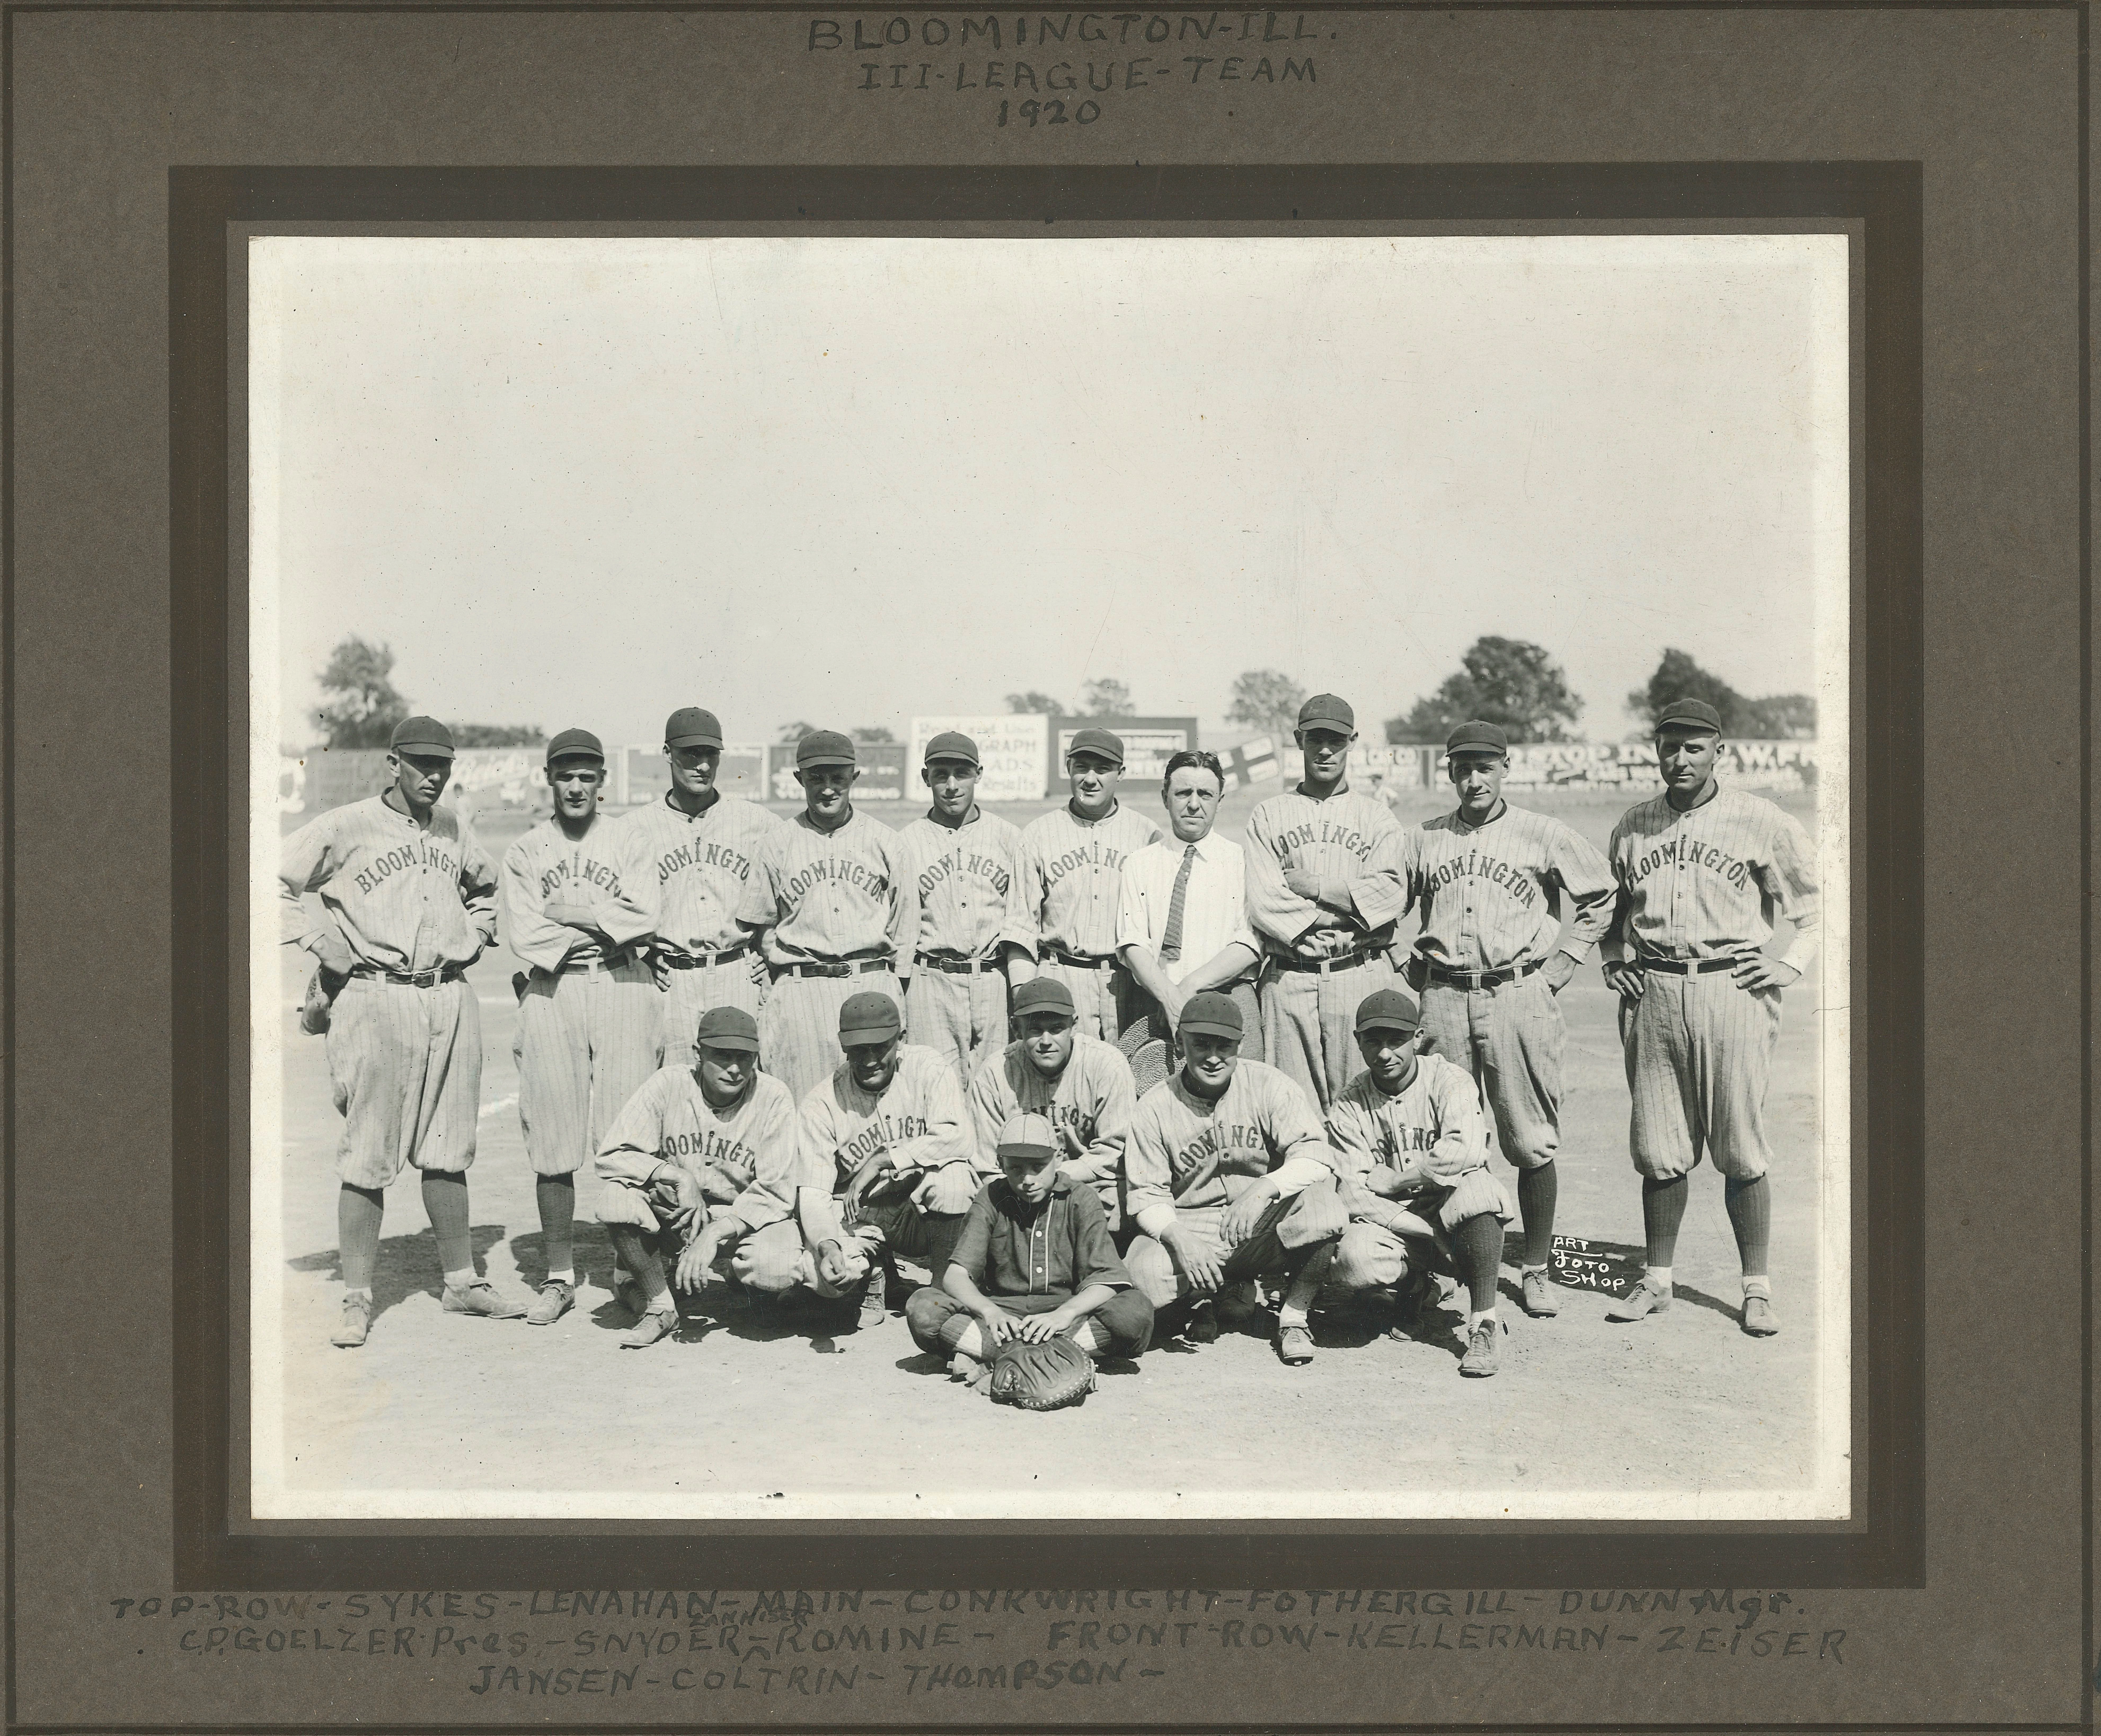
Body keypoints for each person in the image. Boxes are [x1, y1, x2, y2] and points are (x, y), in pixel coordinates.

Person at [278, 715, 516, 1346]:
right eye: (420, 764)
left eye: (442, 765)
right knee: (369, 1152)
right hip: (374, 997)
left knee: (448, 1146)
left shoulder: (452, 826)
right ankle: (357, 1298)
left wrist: (477, 933)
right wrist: (316, 938)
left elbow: (488, 890)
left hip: (446, 995)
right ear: (393, 764)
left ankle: (461, 1282)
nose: (433, 776)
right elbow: (269, 878)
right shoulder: (347, 825)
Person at [1599, 698, 1820, 1337]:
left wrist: (1790, 966)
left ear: (1718, 751)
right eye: (1670, 746)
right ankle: (1657, 1281)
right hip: (1655, 993)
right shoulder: (1633, 825)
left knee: (1739, 1144)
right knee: (1658, 1147)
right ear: (1656, 751)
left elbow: (1816, 905)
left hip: (1732, 989)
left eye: (1694, 747)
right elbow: (1610, 923)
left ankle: (1755, 1289)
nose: (1680, 759)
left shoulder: (1759, 820)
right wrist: (1614, 961)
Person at [1403, 720, 1616, 1318]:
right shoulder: (1423, 838)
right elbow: (1381, 901)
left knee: (1528, 1137)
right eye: (1462, 768)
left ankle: (1536, 1268)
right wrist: (1404, 964)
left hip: (1517, 993)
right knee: (1447, 1136)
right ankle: (1450, 1264)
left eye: (1484, 767)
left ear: (1504, 769)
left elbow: (1600, 894)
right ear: (1448, 772)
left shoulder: (1540, 832)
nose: (1473, 779)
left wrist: (1566, 959)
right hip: (1443, 997)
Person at [686, 992, 987, 1330]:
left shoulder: (928, 1067)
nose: (870, 1059)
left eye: (880, 1047)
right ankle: (870, 1276)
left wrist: (885, 1160)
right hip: (858, 1217)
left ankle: (942, 1291)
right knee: (824, 1286)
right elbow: (813, 1194)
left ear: (900, 1040)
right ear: (843, 1047)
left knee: (954, 1178)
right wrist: (827, 1246)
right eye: (859, 1049)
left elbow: (960, 1137)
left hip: (914, 1214)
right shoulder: (822, 1102)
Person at [499, 727, 660, 1326]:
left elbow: (645, 918)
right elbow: (527, 934)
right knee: (552, 1131)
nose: (574, 785)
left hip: (623, 982)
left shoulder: (630, 840)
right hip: (554, 987)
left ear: (601, 781)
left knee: (630, 1135)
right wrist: (600, 922)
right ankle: (561, 1275)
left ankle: (630, 1273)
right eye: (564, 774)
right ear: (549, 779)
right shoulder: (524, 850)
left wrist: (572, 912)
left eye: (585, 775)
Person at [1120, 991, 1349, 1366]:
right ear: (1180, 1043)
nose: (1213, 1057)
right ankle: (1214, 1295)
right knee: (1143, 1275)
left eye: (1223, 1046)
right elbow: (1146, 1195)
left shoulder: (1268, 1083)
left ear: (1239, 1046)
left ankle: (1293, 1317)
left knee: (1325, 1208)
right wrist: (1179, 1239)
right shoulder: (1154, 1106)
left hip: (1263, 1223)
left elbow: (1317, 1155)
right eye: (1201, 1044)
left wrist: (1264, 1188)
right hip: (1194, 1226)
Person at [1323, 988, 1517, 1377]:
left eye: (1396, 1041)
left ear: (1418, 1037)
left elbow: (1465, 1151)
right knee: (1354, 1262)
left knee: (1481, 1190)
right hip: (1395, 1223)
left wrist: (1396, 1181)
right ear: (1358, 1041)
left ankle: (1484, 1324)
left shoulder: (1449, 1079)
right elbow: (1353, 1192)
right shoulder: (1349, 1103)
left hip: (1449, 1204)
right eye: (1373, 1041)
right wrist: (1430, 1235)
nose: (1384, 1053)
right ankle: (1416, 1287)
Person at [591, 1005, 798, 1348]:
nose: (734, 1068)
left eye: (744, 1058)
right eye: (723, 1056)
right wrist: (675, 1175)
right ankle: (660, 1305)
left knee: (777, 1269)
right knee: (616, 1199)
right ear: (698, 1053)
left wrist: (716, 1233)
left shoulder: (773, 1096)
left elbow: (778, 1190)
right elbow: (612, 1155)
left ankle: (744, 1277)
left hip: (742, 1220)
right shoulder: (668, 1084)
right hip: (679, 1216)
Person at [1244, 694, 1409, 1110]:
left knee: (1367, 1111)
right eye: (1315, 738)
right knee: (1290, 1114)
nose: (1324, 750)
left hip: (1357, 975)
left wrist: (1313, 887)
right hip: (1289, 977)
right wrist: (1324, 921)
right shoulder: (1268, 814)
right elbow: (1262, 897)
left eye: (1335, 740)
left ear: (1351, 741)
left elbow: (1390, 892)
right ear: (1299, 740)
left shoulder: (1377, 817)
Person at [905, 1112, 1155, 1387]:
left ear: (1059, 1157)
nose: (1028, 1179)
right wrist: (990, 1312)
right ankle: (1062, 1360)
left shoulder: (1081, 1198)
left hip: (1065, 1314)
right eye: (1016, 1168)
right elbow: (955, 1276)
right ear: (1001, 1164)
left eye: (1038, 1166)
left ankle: (994, 1358)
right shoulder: (991, 1197)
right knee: (924, 1307)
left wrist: (1065, 1314)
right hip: (1002, 1317)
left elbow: (1109, 1279)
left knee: (1136, 1312)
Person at [736, 730, 914, 1099]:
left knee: (877, 1106)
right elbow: (762, 924)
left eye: (838, 778)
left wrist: (892, 992)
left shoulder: (886, 841)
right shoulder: (777, 842)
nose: (828, 789)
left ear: (854, 778)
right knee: (800, 1103)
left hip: (870, 982)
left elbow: (905, 929)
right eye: (816, 778)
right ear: (800, 779)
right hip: (802, 988)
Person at [621, 706, 782, 1061]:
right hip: (671, 981)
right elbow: (616, 911)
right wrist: (638, 961)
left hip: (737, 973)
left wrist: (771, 958)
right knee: (673, 1088)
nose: (703, 765)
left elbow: (789, 900)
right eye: (691, 754)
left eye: (711, 754)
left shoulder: (757, 822)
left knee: (743, 1087)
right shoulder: (634, 829)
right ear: (668, 754)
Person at [1116, 747, 1261, 1094]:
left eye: (1205, 794)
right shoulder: (1140, 862)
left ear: (1219, 800)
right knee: (1154, 1103)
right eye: (1183, 793)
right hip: (1156, 1004)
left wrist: (1187, 989)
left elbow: (1249, 941)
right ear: (1165, 797)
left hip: (1227, 1001)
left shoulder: (1240, 860)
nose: (1194, 804)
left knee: (1238, 1103)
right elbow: (1132, 941)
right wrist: (1168, 997)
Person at [893, 731, 1032, 1083]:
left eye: (962, 773)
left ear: (979, 774)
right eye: (941, 775)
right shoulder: (905, 842)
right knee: (936, 1086)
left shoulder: (1009, 837)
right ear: (926, 778)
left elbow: (1024, 920)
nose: (952, 785)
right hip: (932, 980)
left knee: (999, 1083)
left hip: (994, 978)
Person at [1011, 728, 1161, 1043]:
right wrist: (1023, 992)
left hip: (1128, 981)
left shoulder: (1146, 834)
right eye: (1082, 767)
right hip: (1059, 972)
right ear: (1068, 768)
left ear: (1121, 773)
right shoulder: (1038, 834)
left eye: (1102, 769)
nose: (1090, 779)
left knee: (1132, 1074)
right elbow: (1021, 925)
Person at [964, 976, 1139, 1235]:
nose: (1046, 1040)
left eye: (1057, 1028)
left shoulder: (1107, 1064)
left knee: (1117, 1207)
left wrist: (1061, 1185)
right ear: (1016, 1029)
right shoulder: (994, 1073)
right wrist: (1041, 1191)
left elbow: (1114, 1155)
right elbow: (986, 1165)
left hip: (1090, 1185)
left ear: (1074, 1025)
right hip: (1021, 1190)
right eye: (1035, 1030)